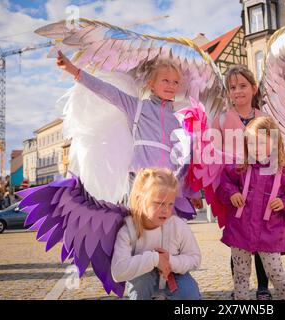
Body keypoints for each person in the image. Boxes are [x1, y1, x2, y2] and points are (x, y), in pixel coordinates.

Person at [56, 51, 203, 218]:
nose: (171, 85)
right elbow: (108, 91)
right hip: (140, 179)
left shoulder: (178, 120)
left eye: (175, 82)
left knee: (164, 230)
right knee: (137, 226)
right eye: (165, 80)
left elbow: (183, 160)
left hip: (167, 184)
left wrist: (193, 192)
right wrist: (74, 71)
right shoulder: (138, 108)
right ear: (151, 84)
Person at [217, 116, 285, 300]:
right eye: (252, 143)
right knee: (240, 274)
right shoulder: (240, 167)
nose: (256, 148)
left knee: (276, 273)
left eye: (262, 142)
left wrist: (284, 202)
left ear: (274, 142)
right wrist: (232, 193)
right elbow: (224, 184)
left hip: (269, 233)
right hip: (241, 230)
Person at [212, 65, 272, 299]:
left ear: (254, 88)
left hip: (262, 187)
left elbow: (275, 150)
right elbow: (212, 153)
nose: (238, 91)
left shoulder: (264, 119)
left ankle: (263, 287)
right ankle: (240, 289)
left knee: (262, 237)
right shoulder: (221, 120)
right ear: (228, 93)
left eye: (243, 86)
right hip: (234, 188)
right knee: (239, 239)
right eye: (233, 87)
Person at [111, 167, 201, 300]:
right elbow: (118, 271)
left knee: (189, 292)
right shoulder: (128, 230)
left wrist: (171, 261)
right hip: (143, 280)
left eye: (170, 204)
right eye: (159, 203)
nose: (166, 210)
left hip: (174, 276)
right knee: (142, 280)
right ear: (141, 200)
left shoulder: (177, 225)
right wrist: (155, 259)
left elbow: (195, 258)